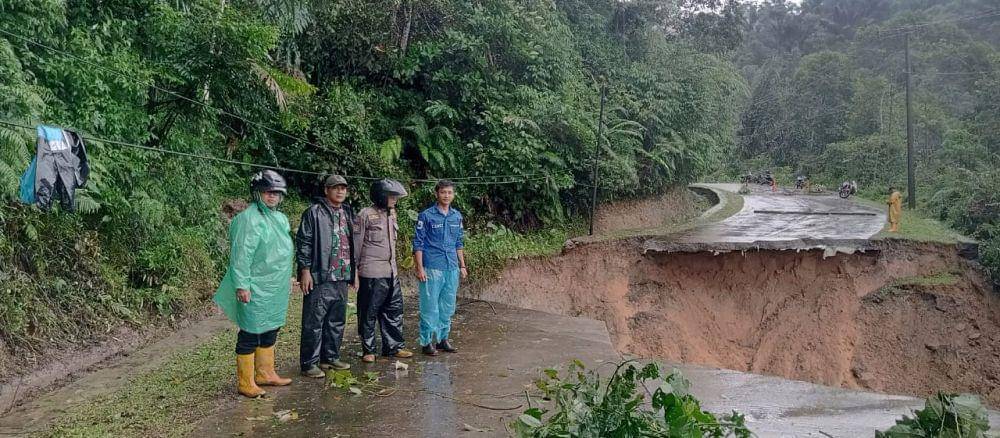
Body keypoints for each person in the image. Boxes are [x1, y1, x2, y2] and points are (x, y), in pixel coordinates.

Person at [213, 169, 294, 398]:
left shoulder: (280, 218)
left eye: (276, 193)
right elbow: (241, 255)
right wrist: (242, 285)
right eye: (267, 192)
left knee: (272, 326)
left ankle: (265, 373)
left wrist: (288, 276)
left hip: (275, 285)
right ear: (257, 193)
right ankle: (246, 381)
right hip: (255, 285)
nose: (272, 197)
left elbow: (283, 251)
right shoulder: (248, 219)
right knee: (250, 331)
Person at [296, 175, 355, 377]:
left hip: (342, 274)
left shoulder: (347, 212)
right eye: (335, 188)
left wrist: (354, 273)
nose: (340, 192)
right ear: (326, 191)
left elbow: (352, 243)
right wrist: (305, 270)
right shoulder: (314, 212)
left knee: (336, 320)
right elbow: (304, 242)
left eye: (343, 188)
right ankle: (309, 363)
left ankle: (330, 357)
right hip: (320, 274)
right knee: (314, 321)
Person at [353, 179, 415, 363]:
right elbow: (356, 245)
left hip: (391, 272)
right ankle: (368, 350)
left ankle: (394, 347)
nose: (395, 200)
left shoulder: (391, 215)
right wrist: (354, 272)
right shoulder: (365, 215)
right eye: (391, 196)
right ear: (381, 196)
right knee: (369, 312)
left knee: (394, 310)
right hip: (372, 272)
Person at [412, 180, 467, 356]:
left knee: (447, 306)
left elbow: (459, 242)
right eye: (443, 192)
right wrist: (419, 267)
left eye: (450, 192)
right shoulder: (426, 216)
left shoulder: (456, 217)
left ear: (453, 195)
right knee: (430, 306)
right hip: (432, 266)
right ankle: (427, 342)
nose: (446, 196)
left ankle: (443, 339)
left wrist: (462, 265)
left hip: (451, 266)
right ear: (437, 194)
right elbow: (418, 243)